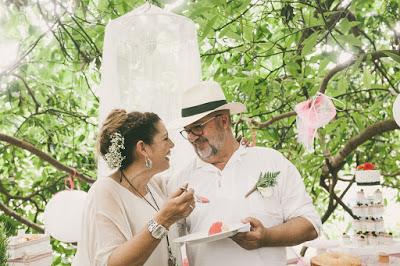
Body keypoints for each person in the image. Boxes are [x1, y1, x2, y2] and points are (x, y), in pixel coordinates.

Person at [169, 81, 321, 266]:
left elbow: (310, 225)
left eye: (198, 127)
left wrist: (267, 237)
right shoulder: (181, 181)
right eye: (187, 131)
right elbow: (169, 243)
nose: (192, 137)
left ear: (224, 121)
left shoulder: (271, 162)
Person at [73, 109, 195, 266]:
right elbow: (110, 263)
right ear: (143, 148)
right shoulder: (104, 192)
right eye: (165, 138)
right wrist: (162, 220)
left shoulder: (155, 186)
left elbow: (193, 176)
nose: (172, 144)